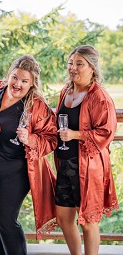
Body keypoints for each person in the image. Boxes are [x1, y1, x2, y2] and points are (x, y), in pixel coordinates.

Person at [0, 55, 58, 255]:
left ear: (32, 83)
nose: (18, 84)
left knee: (6, 220)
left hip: (14, 171)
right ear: (9, 75)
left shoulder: (37, 105)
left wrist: (31, 139)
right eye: (15, 77)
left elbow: (52, 139)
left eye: (24, 81)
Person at [55, 45, 118, 255]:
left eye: (79, 64)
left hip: (88, 169)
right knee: (64, 219)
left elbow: (106, 132)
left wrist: (75, 134)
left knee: (89, 222)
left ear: (92, 67)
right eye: (70, 63)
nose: (73, 68)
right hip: (64, 166)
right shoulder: (66, 91)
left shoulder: (100, 97)